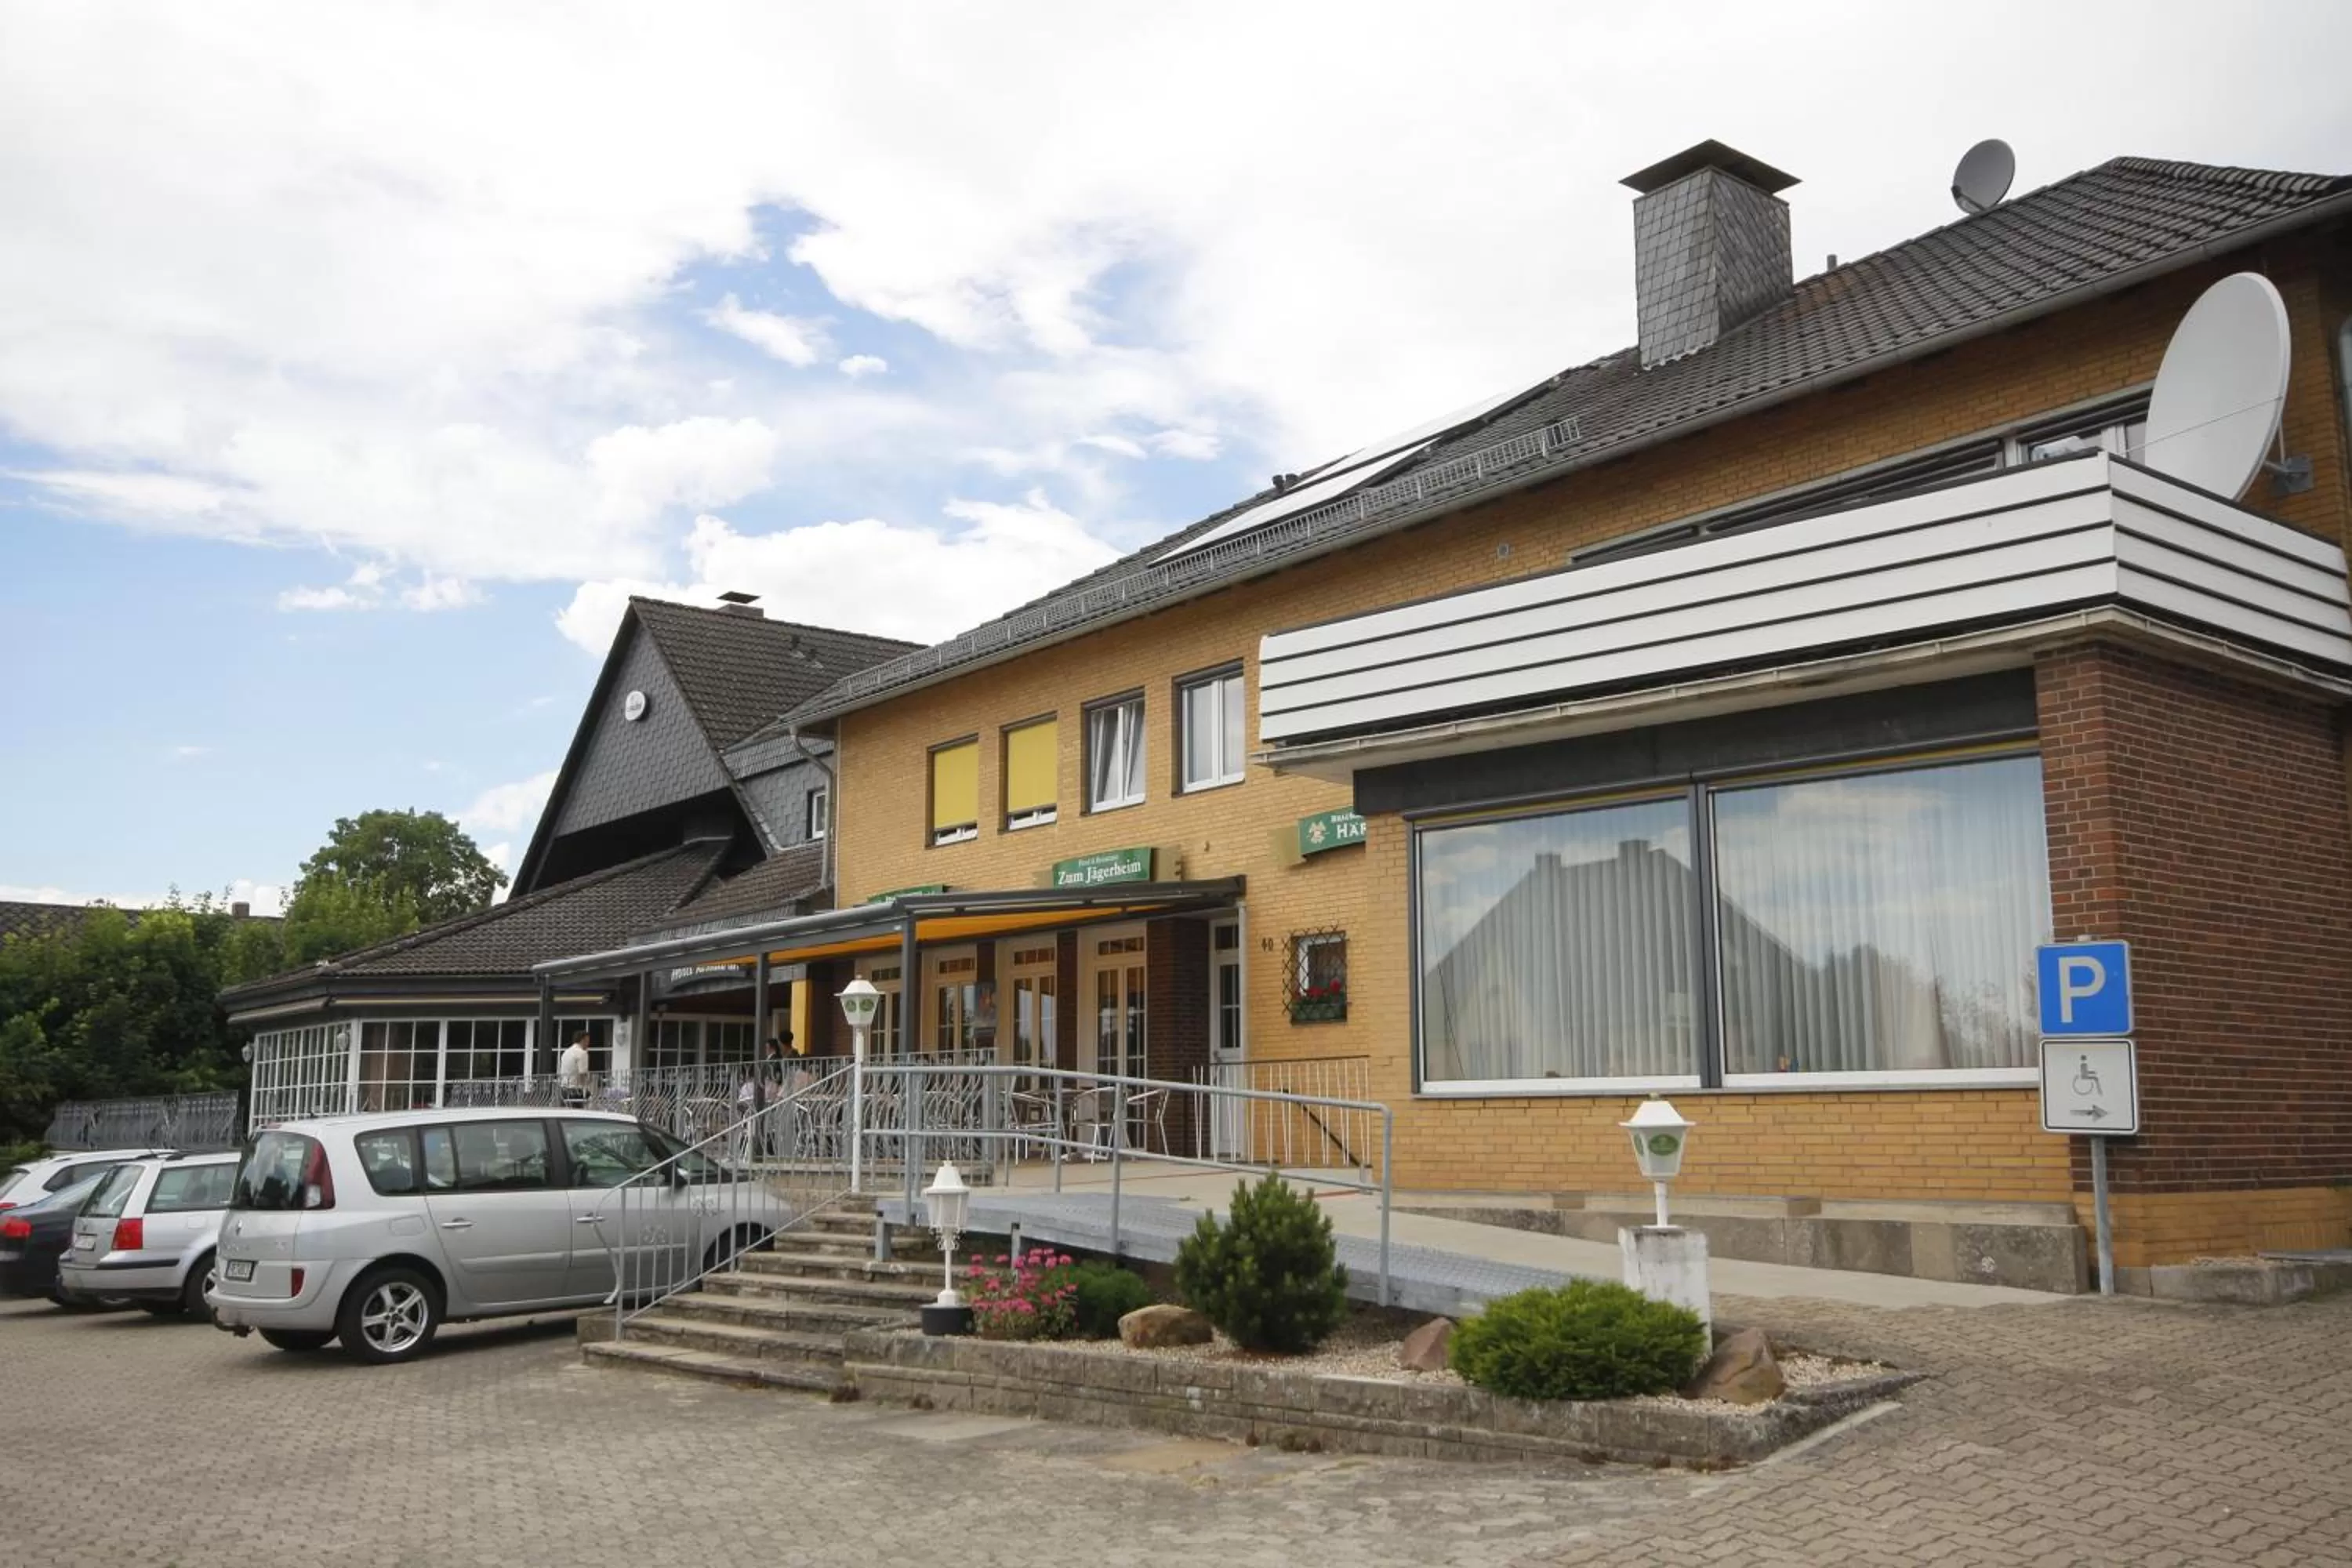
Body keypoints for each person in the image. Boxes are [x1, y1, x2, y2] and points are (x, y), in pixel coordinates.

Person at [557, 1031, 593, 1105]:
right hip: (576, 1090)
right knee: (583, 1109)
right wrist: (587, 1088)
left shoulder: (566, 1052)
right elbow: (583, 1074)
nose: (588, 1044)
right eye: (587, 1041)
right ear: (583, 1040)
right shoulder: (582, 1053)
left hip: (563, 1090)